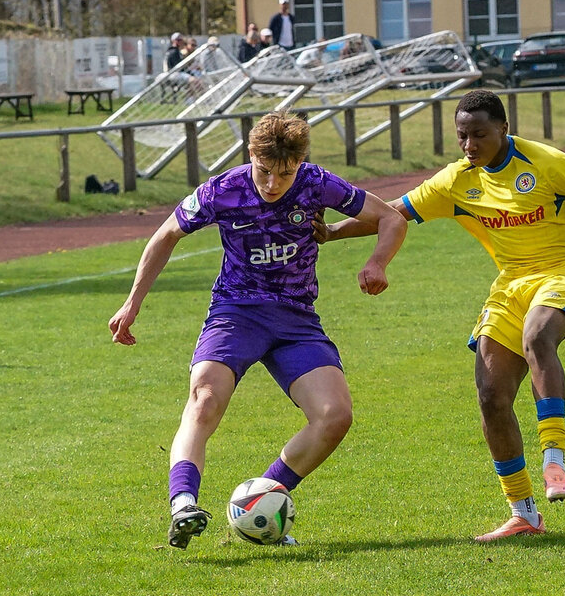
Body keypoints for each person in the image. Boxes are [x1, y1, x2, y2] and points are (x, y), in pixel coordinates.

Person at [318, 90, 565, 542]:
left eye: (479, 134)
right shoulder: (456, 181)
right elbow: (392, 213)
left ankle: (554, 460)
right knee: (491, 396)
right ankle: (524, 514)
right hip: (511, 284)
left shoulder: (544, 162)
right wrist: (332, 231)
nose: (469, 145)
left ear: (504, 129)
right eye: (462, 136)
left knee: (537, 336)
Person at [108, 111, 407, 549]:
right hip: (236, 313)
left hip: (296, 319)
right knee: (204, 399)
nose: (273, 184)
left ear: (300, 162)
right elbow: (166, 234)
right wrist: (132, 302)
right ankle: (183, 505)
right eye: (265, 171)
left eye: (285, 174)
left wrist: (377, 262)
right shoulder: (222, 190)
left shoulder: (317, 183)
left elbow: (391, 218)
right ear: (251, 155)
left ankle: (259, 501)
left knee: (335, 416)